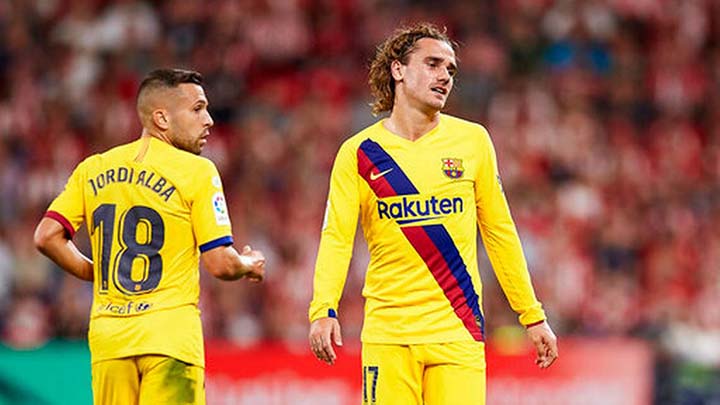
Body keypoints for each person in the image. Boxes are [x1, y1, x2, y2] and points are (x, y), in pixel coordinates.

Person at [308, 23, 558, 404]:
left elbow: (499, 233)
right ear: (398, 70)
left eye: (451, 69)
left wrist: (532, 315)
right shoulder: (359, 152)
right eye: (433, 64)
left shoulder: (472, 141)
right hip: (389, 335)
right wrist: (323, 308)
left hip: (457, 333)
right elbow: (337, 237)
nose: (444, 75)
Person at [33, 68, 265, 405]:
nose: (210, 120)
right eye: (197, 109)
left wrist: (96, 272)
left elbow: (46, 236)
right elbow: (220, 264)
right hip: (169, 341)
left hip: (109, 341)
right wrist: (248, 263)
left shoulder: (94, 167)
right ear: (162, 119)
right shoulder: (197, 172)